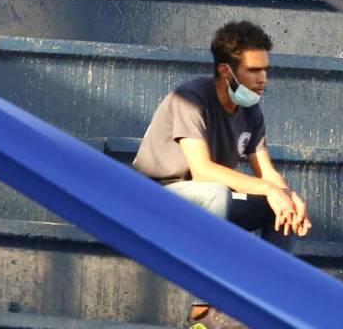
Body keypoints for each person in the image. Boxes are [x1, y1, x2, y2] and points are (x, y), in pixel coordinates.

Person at [132, 20, 311, 329]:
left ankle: (265, 302)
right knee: (215, 191)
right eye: (254, 71)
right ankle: (202, 311)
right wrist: (270, 189)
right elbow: (202, 171)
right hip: (154, 198)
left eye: (265, 70)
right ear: (227, 71)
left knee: (280, 207)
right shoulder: (189, 98)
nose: (263, 79)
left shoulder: (252, 111)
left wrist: (287, 195)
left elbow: (266, 171)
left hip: (205, 204)